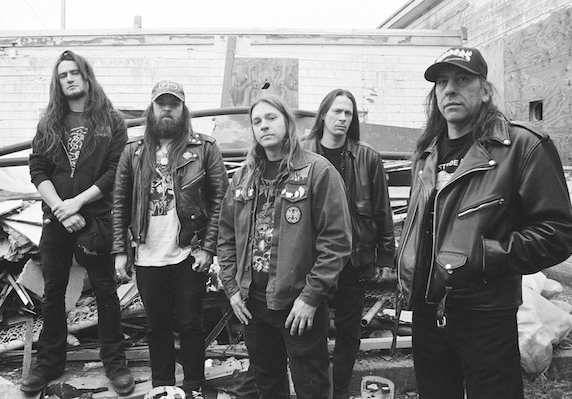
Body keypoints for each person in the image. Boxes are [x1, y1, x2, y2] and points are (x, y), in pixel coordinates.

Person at [396, 47, 572, 399]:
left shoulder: (521, 146)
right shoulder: (426, 153)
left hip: (485, 313)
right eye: (442, 82)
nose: (450, 89)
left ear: (484, 90)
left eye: (462, 79)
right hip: (425, 311)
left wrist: (486, 255)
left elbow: (557, 233)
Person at [217, 95, 352, 399]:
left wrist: (312, 297)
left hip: (298, 305)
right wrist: (232, 288)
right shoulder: (243, 177)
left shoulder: (318, 171)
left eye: (271, 118)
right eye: (257, 121)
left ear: (288, 123)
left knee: (311, 386)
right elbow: (225, 234)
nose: (264, 126)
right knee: (267, 385)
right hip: (252, 304)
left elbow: (337, 242)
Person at [23, 50, 134, 395]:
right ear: (57, 83)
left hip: (96, 216)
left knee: (105, 291)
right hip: (57, 217)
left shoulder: (111, 120)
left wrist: (78, 203)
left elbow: (116, 171)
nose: (69, 78)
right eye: (62, 75)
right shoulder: (49, 121)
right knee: (53, 292)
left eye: (74, 72)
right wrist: (61, 208)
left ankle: (115, 363)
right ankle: (49, 362)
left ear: (86, 76)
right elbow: (37, 168)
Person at [112, 80, 228, 398]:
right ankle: (163, 387)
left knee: (191, 323)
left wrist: (208, 248)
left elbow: (221, 201)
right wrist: (120, 251)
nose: (167, 109)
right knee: (157, 326)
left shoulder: (205, 149)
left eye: (173, 104)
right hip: (147, 254)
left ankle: (193, 386)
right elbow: (120, 203)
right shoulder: (133, 151)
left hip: (188, 252)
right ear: (151, 109)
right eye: (161, 103)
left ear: (183, 110)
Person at [304, 89, 395, 399]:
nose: (342, 118)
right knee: (311, 329)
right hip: (313, 259)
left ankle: (340, 390)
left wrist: (385, 256)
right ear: (323, 115)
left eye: (348, 113)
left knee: (349, 330)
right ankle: (318, 391)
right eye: (337, 111)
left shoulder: (367, 157)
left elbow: (382, 209)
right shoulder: (302, 154)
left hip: (354, 259)